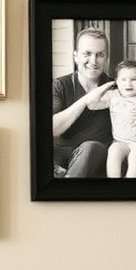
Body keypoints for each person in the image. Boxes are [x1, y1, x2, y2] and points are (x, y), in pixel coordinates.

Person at [52, 26, 115, 178]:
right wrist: (87, 99)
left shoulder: (116, 88)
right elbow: (53, 129)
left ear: (106, 58)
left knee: (91, 148)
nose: (93, 61)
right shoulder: (59, 85)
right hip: (60, 154)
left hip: (95, 156)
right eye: (87, 53)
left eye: (100, 55)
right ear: (75, 56)